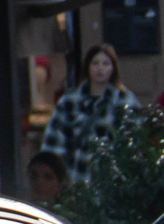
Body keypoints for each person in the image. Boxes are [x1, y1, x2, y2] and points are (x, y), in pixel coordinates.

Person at [38, 43, 139, 188]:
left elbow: (136, 142)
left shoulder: (125, 101)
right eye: (95, 63)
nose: (100, 69)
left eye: (105, 64)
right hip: (77, 179)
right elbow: (53, 145)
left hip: (114, 181)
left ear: (113, 68)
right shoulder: (70, 101)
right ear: (88, 67)